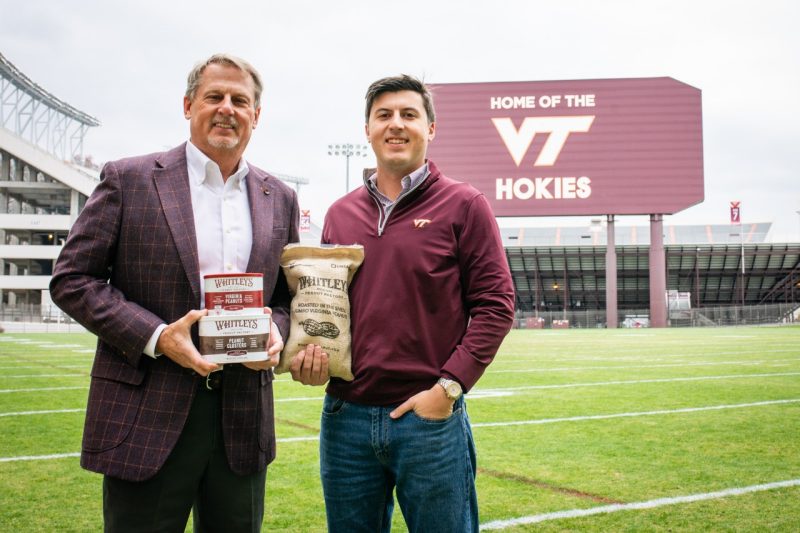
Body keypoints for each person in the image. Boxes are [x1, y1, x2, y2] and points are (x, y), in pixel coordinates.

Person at [49, 53, 299, 532]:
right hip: (149, 409)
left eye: (240, 100)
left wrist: (276, 330)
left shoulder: (280, 196)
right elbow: (72, 279)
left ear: (256, 116)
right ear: (188, 105)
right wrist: (159, 335)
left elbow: (287, 299)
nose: (227, 108)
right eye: (214, 97)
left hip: (242, 418)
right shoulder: (130, 179)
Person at [290, 75, 515, 532]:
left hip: (429, 420)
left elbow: (497, 303)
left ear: (431, 128)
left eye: (409, 115)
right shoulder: (339, 213)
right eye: (384, 115)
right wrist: (311, 357)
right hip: (345, 419)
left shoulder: (464, 204)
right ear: (368, 129)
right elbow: (328, 310)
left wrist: (449, 389)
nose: (396, 124)